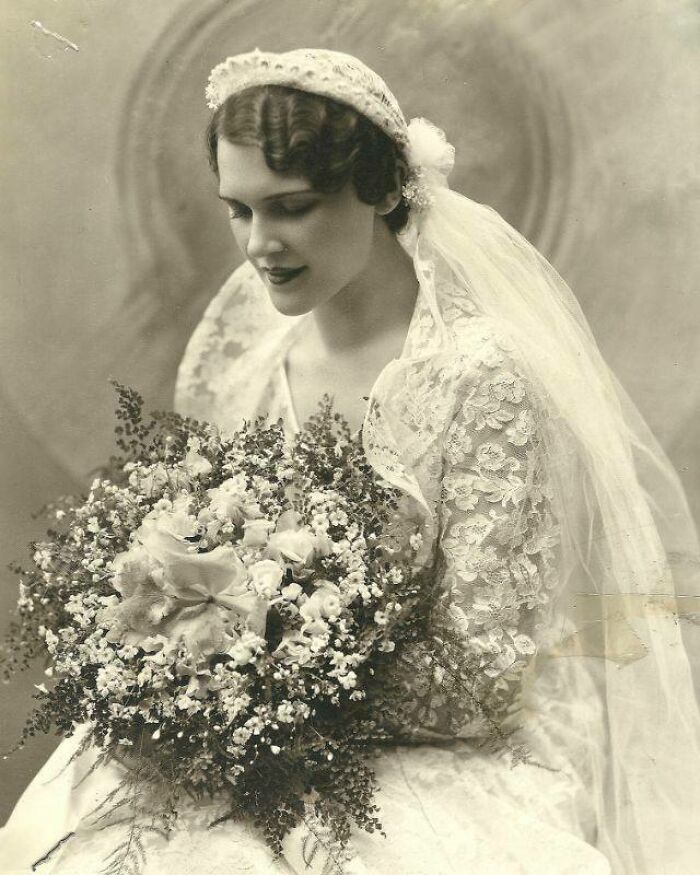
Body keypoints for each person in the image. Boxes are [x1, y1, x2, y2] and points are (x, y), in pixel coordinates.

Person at [2, 47, 700, 875]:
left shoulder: (482, 380)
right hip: (247, 724)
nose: (260, 244)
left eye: (292, 207)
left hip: (446, 749)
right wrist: (172, 657)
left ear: (380, 190)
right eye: (239, 210)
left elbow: (483, 677)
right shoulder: (239, 358)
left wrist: (259, 681)